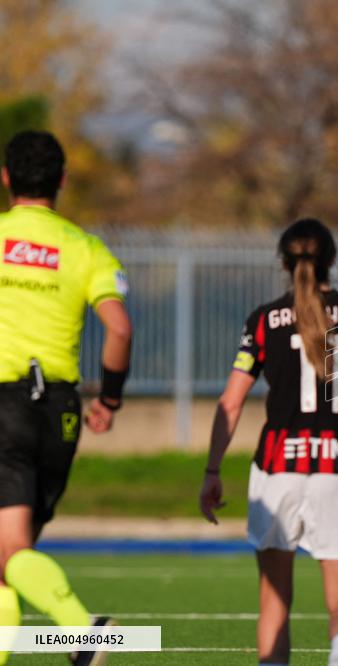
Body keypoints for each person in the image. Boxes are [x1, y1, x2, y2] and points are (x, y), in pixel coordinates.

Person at [199, 219, 338, 666]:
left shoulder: (263, 319)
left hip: (278, 465)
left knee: (275, 602)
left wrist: (212, 471)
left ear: (283, 262)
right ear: (332, 259)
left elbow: (230, 403)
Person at [0, 130, 132, 666]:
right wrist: (112, 401)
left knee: (9, 550)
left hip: (5, 404)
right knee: (9, 553)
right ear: (61, 181)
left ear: (6, 178)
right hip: (59, 411)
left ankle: (82, 635)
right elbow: (119, 329)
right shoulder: (84, 248)